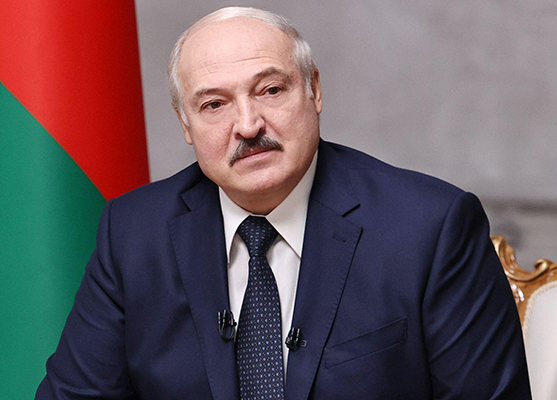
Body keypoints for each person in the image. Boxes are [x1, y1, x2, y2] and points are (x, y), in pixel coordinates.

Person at [35, 7, 531, 399]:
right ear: (185, 124)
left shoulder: (430, 227)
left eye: (270, 90)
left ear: (313, 90)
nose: (248, 125)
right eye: (214, 104)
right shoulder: (133, 232)